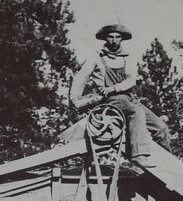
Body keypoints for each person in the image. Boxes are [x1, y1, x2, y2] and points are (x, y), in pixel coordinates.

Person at [69, 24, 170, 164]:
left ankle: (165, 162)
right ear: (105, 39)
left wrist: (114, 87)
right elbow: (81, 77)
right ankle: (138, 155)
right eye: (111, 37)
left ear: (122, 39)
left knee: (161, 127)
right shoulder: (96, 58)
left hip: (128, 98)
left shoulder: (127, 57)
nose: (114, 40)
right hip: (111, 100)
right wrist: (74, 98)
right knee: (136, 112)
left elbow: (131, 80)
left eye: (118, 37)